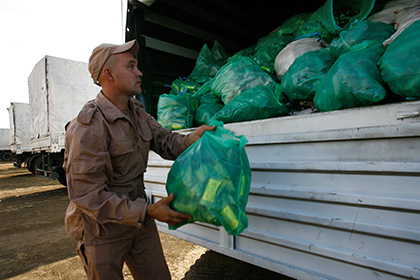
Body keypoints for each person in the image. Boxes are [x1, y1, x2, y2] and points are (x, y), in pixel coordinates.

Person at [63, 39, 215, 280]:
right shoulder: (88, 125)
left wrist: (190, 140)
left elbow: (164, 141)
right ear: (109, 74)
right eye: (131, 66)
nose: (139, 72)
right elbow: (87, 195)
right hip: (103, 228)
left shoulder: (137, 113)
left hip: (139, 221)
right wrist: (147, 211)